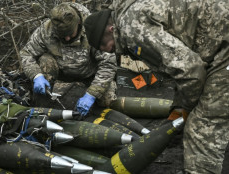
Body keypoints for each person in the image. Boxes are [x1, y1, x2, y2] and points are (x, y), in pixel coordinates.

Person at [83, 0, 229, 173]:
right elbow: (178, 70)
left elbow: (190, 71)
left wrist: (189, 108)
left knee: (202, 127)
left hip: (223, 48)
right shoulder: (131, 15)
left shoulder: (131, 29)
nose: (107, 51)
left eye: (102, 45)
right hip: (218, 40)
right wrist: (179, 107)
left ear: (110, 29)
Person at [20, 2, 117, 116]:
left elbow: (108, 64)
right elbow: (26, 54)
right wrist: (36, 75)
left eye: (70, 33)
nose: (67, 38)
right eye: (62, 35)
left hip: (90, 75)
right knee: (45, 60)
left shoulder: (92, 28)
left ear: (79, 23)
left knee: (107, 99)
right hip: (62, 74)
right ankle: (44, 105)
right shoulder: (46, 30)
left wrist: (92, 94)